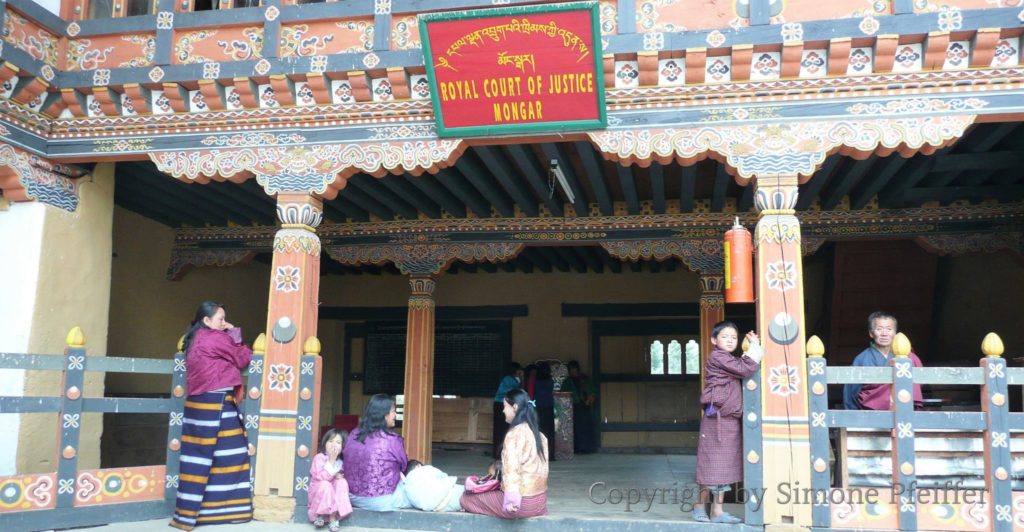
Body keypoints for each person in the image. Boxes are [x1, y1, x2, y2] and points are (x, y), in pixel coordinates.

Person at [171, 301, 254, 531]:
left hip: (197, 404)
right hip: (217, 403)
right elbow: (242, 358)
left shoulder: (196, 338)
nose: (224, 323)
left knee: (197, 457)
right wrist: (234, 331)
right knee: (233, 454)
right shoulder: (215, 337)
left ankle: (188, 515)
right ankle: (224, 512)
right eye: (220, 319)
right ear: (206, 321)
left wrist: (227, 330)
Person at [693, 321, 763, 524]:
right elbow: (746, 368)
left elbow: (742, 366)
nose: (730, 340)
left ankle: (717, 511)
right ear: (714, 340)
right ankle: (699, 505)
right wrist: (755, 346)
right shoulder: (718, 357)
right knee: (711, 465)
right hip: (716, 419)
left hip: (729, 419)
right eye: (725, 337)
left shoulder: (729, 359)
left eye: (734, 337)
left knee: (725, 467)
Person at [461, 389, 548, 519]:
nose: (503, 411)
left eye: (505, 407)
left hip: (522, 504)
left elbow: (511, 469)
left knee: (466, 498)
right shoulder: (540, 436)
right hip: (540, 503)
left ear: (515, 407)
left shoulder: (515, 434)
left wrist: (511, 501)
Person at [342, 394, 412, 511]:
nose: (395, 415)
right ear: (384, 415)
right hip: (381, 500)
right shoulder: (392, 439)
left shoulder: (354, 434)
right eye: (393, 411)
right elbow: (404, 466)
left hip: (352, 497)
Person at [843, 311, 924, 410]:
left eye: (889, 329)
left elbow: (918, 383)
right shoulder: (862, 359)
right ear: (871, 333)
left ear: (895, 333)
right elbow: (851, 392)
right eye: (879, 329)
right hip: (870, 415)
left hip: (903, 412)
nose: (884, 334)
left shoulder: (909, 357)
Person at [307, 429, 352, 531]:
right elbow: (323, 477)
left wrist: (339, 475)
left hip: (333, 497)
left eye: (338, 442)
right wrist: (331, 459)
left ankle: (333, 518)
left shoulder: (340, 462)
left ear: (343, 446)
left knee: (342, 482)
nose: (334, 445)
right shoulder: (319, 458)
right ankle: (320, 514)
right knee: (325, 484)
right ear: (325, 442)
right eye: (331, 441)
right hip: (319, 493)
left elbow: (342, 476)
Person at [560, 360, 598, 454]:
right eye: (571, 369)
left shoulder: (585, 379)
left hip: (585, 406)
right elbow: (563, 394)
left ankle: (588, 448)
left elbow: (592, 391)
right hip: (573, 407)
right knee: (576, 429)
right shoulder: (567, 381)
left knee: (586, 427)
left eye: (574, 369)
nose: (573, 371)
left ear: (578, 369)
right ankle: (577, 448)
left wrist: (589, 400)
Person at [492, 362, 523, 458]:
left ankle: (500, 452)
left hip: (502, 404)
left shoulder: (509, 379)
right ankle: (500, 452)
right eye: (519, 370)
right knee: (502, 429)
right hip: (502, 405)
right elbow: (517, 391)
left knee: (501, 429)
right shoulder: (509, 380)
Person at [532, 362, 556, 461]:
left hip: (539, 408)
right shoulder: (550, 381)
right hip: (549, 408)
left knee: (539, 431)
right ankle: (550, 455)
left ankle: (540, 454)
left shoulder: (536, 382)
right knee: (549, 432)